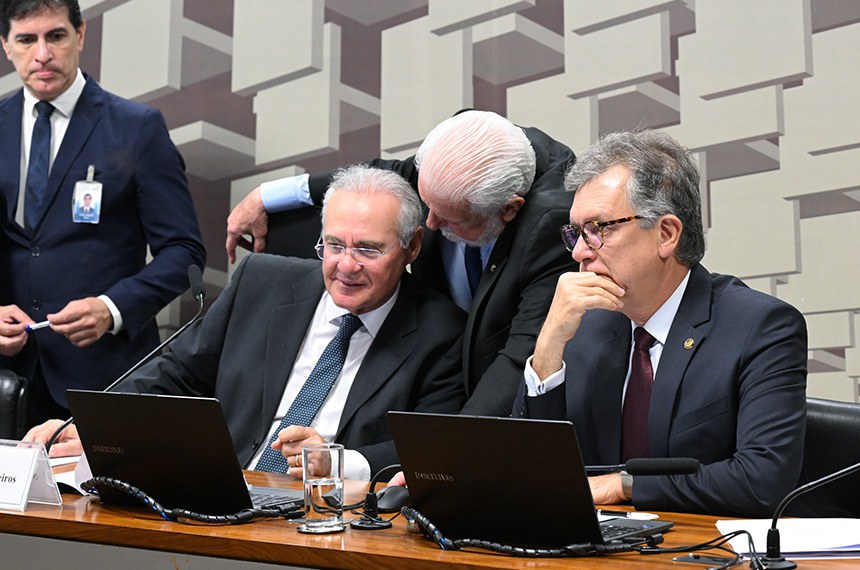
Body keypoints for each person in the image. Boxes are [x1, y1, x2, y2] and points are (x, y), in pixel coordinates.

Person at [25, 165, 468, 480]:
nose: (345, 266)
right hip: (217, 492)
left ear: (411, 247)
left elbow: (433, 451)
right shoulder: (262, 282)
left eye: (368, 250)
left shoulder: (440, 332)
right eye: (333, 245)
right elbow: (174, 374)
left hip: (327, 517)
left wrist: (340, 461)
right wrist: (91, 424)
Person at [513, 130, 807, 518]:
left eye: (599, 230)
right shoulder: (587, 323)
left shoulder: (761, 327)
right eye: (576, 233)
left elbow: (762, 480)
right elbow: (530, 469)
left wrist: (623, 485)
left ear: (666, 234)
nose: (580, 252)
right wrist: (547, 348)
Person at [226, 110, 576, 416]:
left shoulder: (550, 223)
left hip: (493, 389)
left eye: (451, 218)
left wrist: (452, 454)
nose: (431, 223)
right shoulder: (456, 155)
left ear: (509, 209)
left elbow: (522, 353)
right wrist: (268, 196)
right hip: (436, 368)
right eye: (428, 205)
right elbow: (388, 174)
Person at [0, 0, 205, 429]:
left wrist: (111, 309)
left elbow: (183, 253)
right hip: (8, 383)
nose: (42, 54)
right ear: (6, 46)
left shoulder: (137, 127)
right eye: (26, 39)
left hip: (103, 379)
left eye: (55, 36)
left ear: (80, 35)